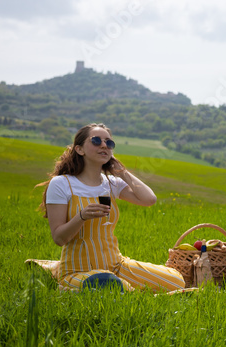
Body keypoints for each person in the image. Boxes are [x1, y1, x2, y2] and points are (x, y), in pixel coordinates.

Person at [35, 123, 187, 293]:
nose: (104, 145)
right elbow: (59, 238)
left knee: (176, 281)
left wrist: (121, 171)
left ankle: (115, 285)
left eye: (109, 143)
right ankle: (63, 279)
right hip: (78, 269)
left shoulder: (111, 183)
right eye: (96, 141)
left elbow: (149, 199)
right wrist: (81, 216)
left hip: (116, 265)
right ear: (79, 149)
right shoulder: (62, 184)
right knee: (112, 285)